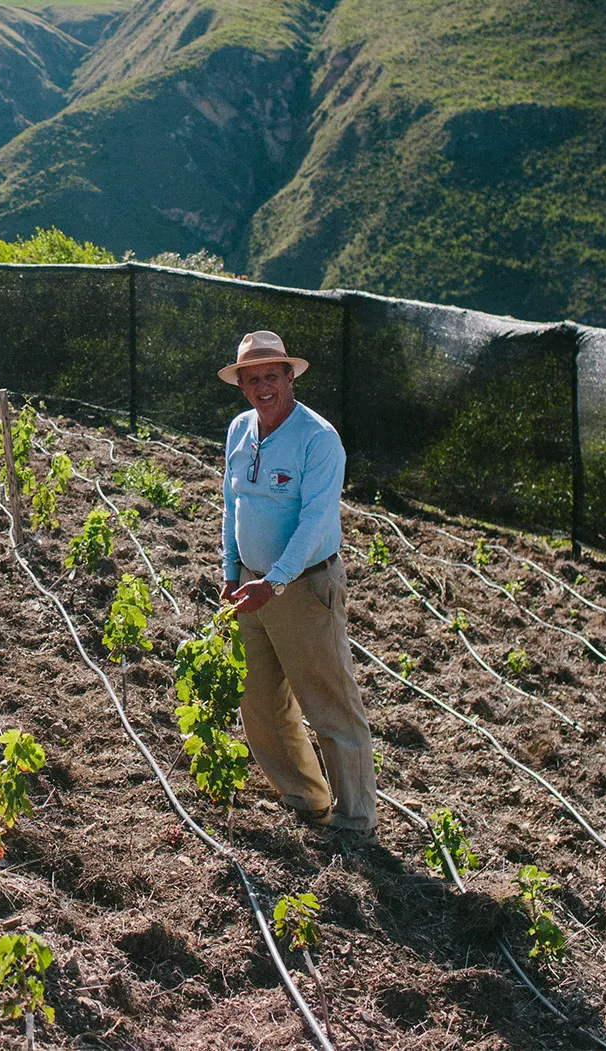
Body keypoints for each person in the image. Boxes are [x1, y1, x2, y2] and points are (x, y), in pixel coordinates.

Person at [218, 330, 378, 834]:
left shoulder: (317, 438)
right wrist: (231, 570)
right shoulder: (240, 430)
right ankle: (305, 797)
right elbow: (232, 503)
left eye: (272, 375)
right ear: (241, 384)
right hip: (250, 584)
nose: (263, 386)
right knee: (259, 700)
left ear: (290, 377)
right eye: (252, 379)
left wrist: (278, 580)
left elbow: (315, 521)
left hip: (304, 586)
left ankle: (356, 820)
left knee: (330, 703)